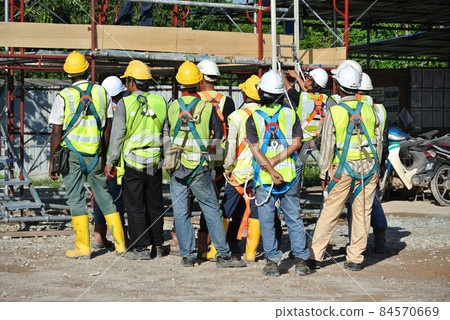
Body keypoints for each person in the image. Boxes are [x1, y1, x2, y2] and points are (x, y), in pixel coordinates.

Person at [165, 60, 245, 268]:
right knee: (211, 209)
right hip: (199, 165)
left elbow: (168, 133)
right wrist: (219, 165)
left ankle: (187, 256)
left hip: (177, 165)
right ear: (198, 81)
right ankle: (224, 255)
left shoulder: (173, 106)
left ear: (180, 83)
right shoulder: (208, 107)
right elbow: (218, 138)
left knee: (181, 212)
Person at [49, 51, 126, 259]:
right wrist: (106, 154)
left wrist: (52, 162)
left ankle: (83, 248)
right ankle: (120, 244)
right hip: (96, 154)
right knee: (105, 196)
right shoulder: (102, 93)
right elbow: (108, 126)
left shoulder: (63, 96)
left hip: (71, 153)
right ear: (86, 70)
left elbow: (56, 132)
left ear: (68, 74)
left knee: (76, 199)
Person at [308, 64, 382, 271]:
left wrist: (324, 172)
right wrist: (378, 166)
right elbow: (378, 140)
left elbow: (327, 145)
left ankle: (315, 255)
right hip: (369, 168)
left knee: (330, 211)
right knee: (362, 213)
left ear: (339, 86)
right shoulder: (370, 109)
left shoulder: (335, 111)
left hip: (343, 170)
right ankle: (356, 258)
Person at [246, 70, 310, 277]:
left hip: (265, 179)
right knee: (293, 218)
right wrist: (276, 163)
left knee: (266, 220)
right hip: (289, 176)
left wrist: (270, 168)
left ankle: (273, 261)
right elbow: (297, 143)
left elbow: (255, 149)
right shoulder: (291, 115)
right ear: (281, 93)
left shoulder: (253, 118)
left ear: (261, 92)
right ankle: (301, 260)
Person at [104, 60, 167, 260]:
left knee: (135, 204)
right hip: (155, 161)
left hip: (132, 163)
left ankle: (142, 247)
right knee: (155, 202)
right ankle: (157, 244)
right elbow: (165, 133)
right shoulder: (160, 102)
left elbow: (117, 135)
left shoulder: (125, 103)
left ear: (131, 82)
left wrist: (110, 161)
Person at [196, 59, 236, 260]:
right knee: (213, 199)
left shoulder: (194, 98)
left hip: (197, 151)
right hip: (218, 153)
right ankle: (210, 241)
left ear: (201, 77)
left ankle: (200, 243)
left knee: (194, 198)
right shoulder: (227, 101)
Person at [345, 72, 388, 254]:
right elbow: (382, 137)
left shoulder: (356, 107)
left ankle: (355, 244)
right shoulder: (380, 109)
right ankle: (379, 236)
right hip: (374, 161)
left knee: (354, 203)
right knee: (371, 201)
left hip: (353, 161)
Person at [222, 75, 261, 262]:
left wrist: (228, 167)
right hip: (259, 172)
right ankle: (251, 253)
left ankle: (221, 248)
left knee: (228, 209)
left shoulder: (236, 116)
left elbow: (231, 147)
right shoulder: (267, 114)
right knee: (255, 210)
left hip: (238, 173)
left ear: (245, 95)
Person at [92, 76, 129, 249]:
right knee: (117, 198)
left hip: (95, 158)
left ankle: (99, 235)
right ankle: (121, 237)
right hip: (112, 161)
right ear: (119, 94)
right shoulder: (119, 109)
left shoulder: (95, 108)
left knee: (99, 196)